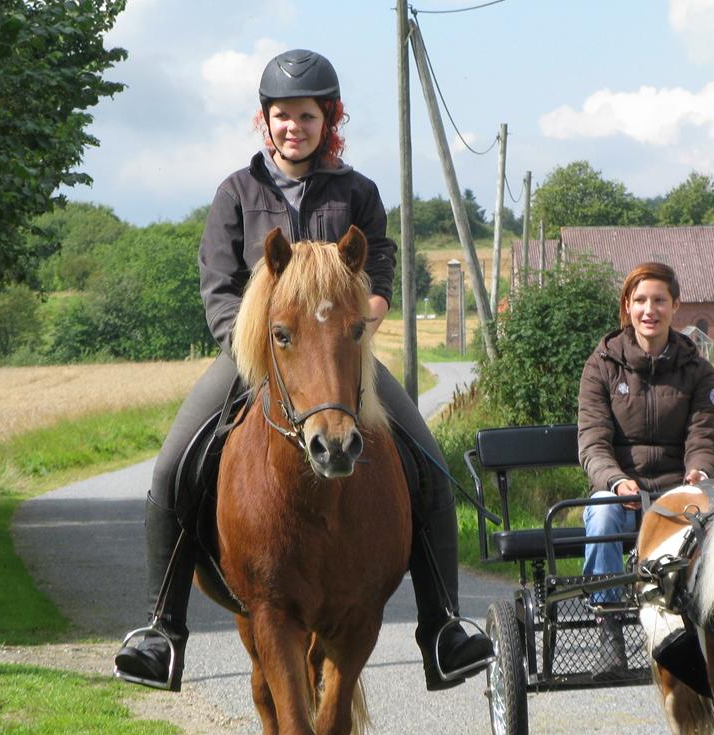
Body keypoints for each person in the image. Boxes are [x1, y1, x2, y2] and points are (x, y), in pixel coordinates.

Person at [114, 49, 492, 693]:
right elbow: (218, 286)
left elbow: (378, 273)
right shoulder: (236, 193)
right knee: (173, 467)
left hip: (342, 360)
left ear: (328, 120)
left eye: (308, 116)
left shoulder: (357, 193)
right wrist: (257, 351)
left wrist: (358, 326)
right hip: (254, 358)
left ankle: (443, 628)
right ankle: (161, 630)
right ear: (266, 120)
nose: (295, 127)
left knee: (428, 465)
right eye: (283, 115)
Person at [576, 262, 714, 677]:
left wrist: (699, 473)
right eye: (640, 300)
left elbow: (703, 437)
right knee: (601, 513)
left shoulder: (698, 370)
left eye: (659, 300)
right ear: (627, 305)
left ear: (675, 305)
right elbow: (593, 442)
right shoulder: (601, 365)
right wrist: (616, 480)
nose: (649, 310)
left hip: (679, 496)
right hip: (624, 495)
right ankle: (609, 630)